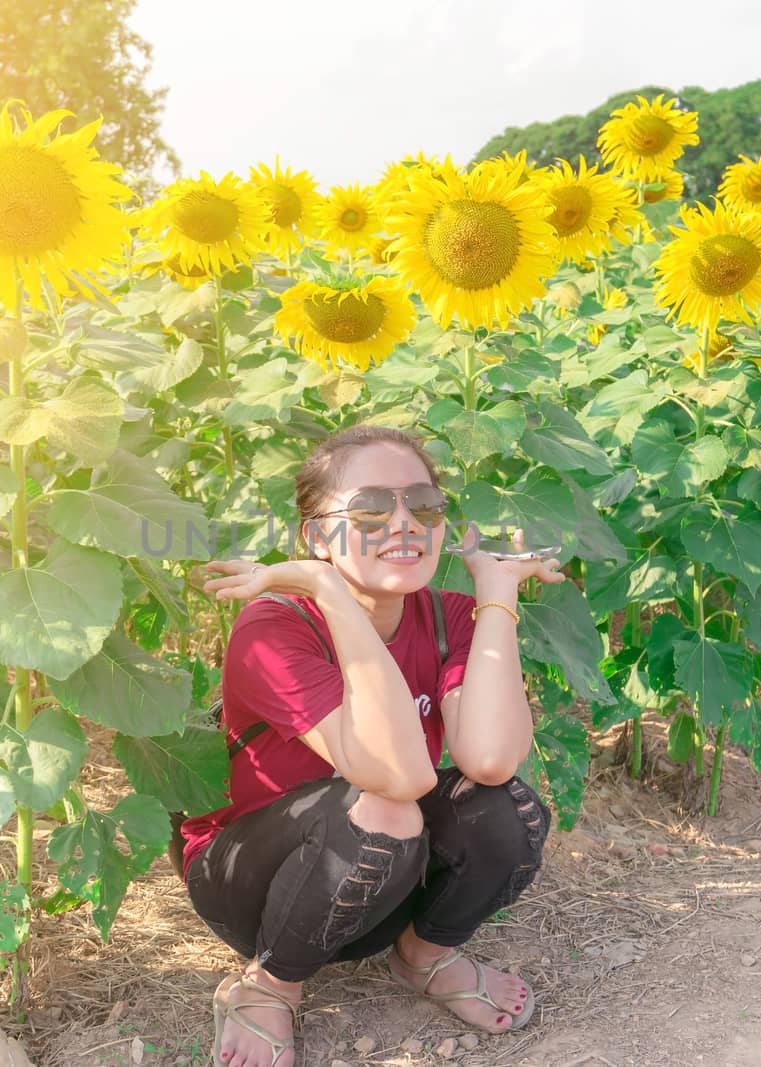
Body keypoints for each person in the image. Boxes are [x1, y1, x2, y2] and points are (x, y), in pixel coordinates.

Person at [180, 424, 563, 1067]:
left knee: (505, 807)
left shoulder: (446, 617)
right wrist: (331, 595)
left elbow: (491, 758)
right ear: (314, 536)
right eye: (371, 508)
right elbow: (398, 775)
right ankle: (269, 985)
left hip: (379, 878)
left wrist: (496, 595)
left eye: (425, 504)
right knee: (389, 803)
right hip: (255, 879)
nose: (405, 523)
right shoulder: (275, 626)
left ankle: (423, 957)